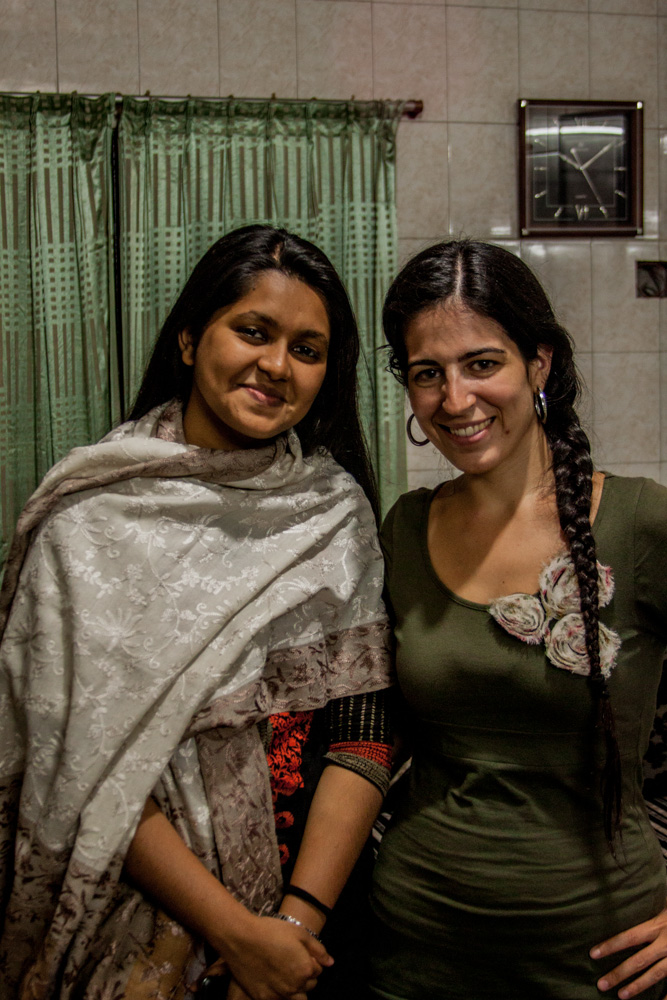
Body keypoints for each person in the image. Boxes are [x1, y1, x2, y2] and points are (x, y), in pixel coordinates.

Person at [0, 225, 393, 1000]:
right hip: (134, 914)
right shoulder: (89, 520)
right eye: (253, 331)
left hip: (311, 919)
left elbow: (362, 728)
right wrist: (237, 935)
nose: (276, 365)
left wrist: (293, 927)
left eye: (306, 349)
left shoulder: (332, 511)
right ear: (188, 339)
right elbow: (79, 762)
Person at [368, 239, 667, 1000]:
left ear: (538, 364)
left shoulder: (638, 522)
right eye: (427, 373)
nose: (454, 399)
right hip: (415, 950)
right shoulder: (403, 528)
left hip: (599, 959)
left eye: (481, 364)